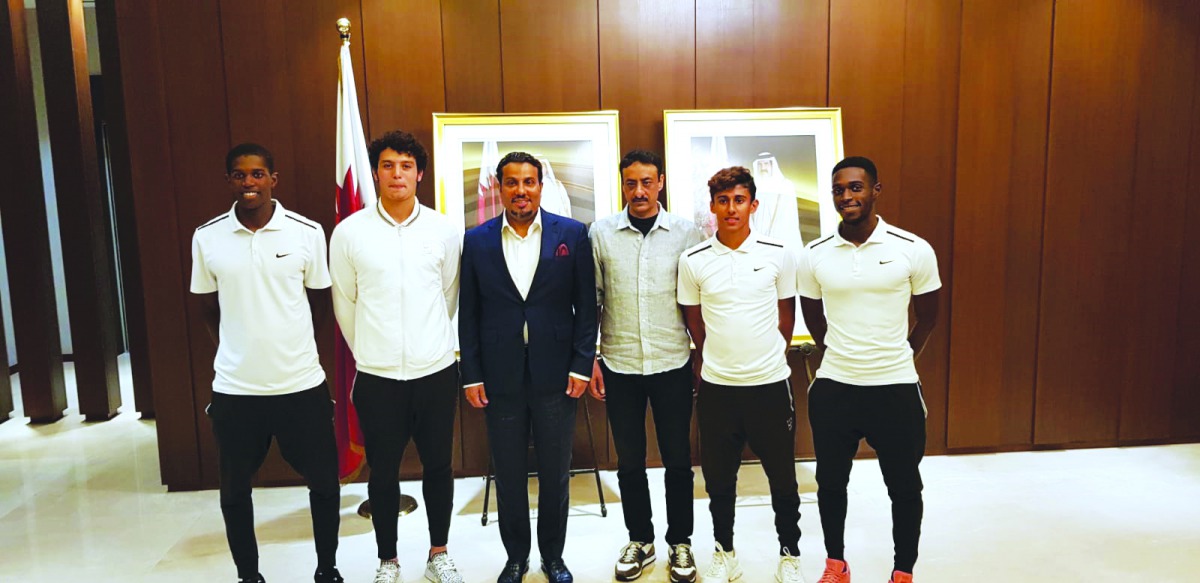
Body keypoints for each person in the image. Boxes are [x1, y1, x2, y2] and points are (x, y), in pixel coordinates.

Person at [190, 143, 342, 583]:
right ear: (229, 181)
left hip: (301, 384)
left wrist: (286, 345)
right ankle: (249, 575)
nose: (249, 183)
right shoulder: (208, 236)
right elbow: (206, 310)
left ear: (273, 179)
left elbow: (318, 304)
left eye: (258, 174)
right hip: (237, 391)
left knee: (325, 485)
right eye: (240, 175)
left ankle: (327, 569)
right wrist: (239, 350)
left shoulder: (306, 231)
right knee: (235, 491)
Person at [328, 130, 464, 583]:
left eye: (406, 166)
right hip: (378, 378)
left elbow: (448, 297)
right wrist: (375, 351)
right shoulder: (349, 233)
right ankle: (388, 560)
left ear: (419, 174)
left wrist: (426, 345)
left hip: (436, 373)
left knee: (439, 468)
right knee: (383, 472)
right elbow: (345, 305)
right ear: (376, 172)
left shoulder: (444, 230)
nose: (397, 174)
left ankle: (438, 553)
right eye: (388, 165)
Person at [797, 157, 940, 583]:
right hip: (835, 388)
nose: (847, 197)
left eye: (856, 188)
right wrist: (840, 353)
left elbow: (928, 317)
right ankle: (835, 565)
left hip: (894, 388)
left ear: (876, 190)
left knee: (904, 487)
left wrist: (897, 356)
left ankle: (903, 571)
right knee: (830, 484)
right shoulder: (814, 254)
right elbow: (814, 317)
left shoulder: (912, 248)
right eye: (839, 189)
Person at [459, 151, 597, 583]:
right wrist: (472, 373)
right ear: (499, 187)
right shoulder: (477, 240)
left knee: (556, 473)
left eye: (529, 181)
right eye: (512, 182)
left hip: (557, 376)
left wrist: (581, 365)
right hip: (499, 377)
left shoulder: (572, 234)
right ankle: (516, 557)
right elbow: (470, 313)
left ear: (541, 185)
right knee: (510, 472)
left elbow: (585, 307)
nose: (521, 190)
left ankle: (553, 558)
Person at [677, 166, 805, 583]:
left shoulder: (778, 253)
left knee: (783, 480)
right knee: (718, 481)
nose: (731, 209)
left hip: (769, 387)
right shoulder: (693, 260)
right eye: (723, 201)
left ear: (753, 204)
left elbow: (786, 319)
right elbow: (695, 325)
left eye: (739, 200)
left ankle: (790, 555)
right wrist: (721, 358)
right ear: (712, 207)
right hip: (717, 390)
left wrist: (765, 357)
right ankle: (724, 552)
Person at [588, 149, 704, 582]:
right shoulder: (600, 234)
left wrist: (700, 354)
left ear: (661, 183)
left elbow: (697, 301)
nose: (639, 191)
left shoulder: (687, 233)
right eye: (630, 183)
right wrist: (594, 359)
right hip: (620, 365)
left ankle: (680, 543)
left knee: (677, 460)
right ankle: (641, 539)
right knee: (630, 461)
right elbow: (593, 301)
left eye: (647, 182)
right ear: (623, 185)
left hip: (672, 362)